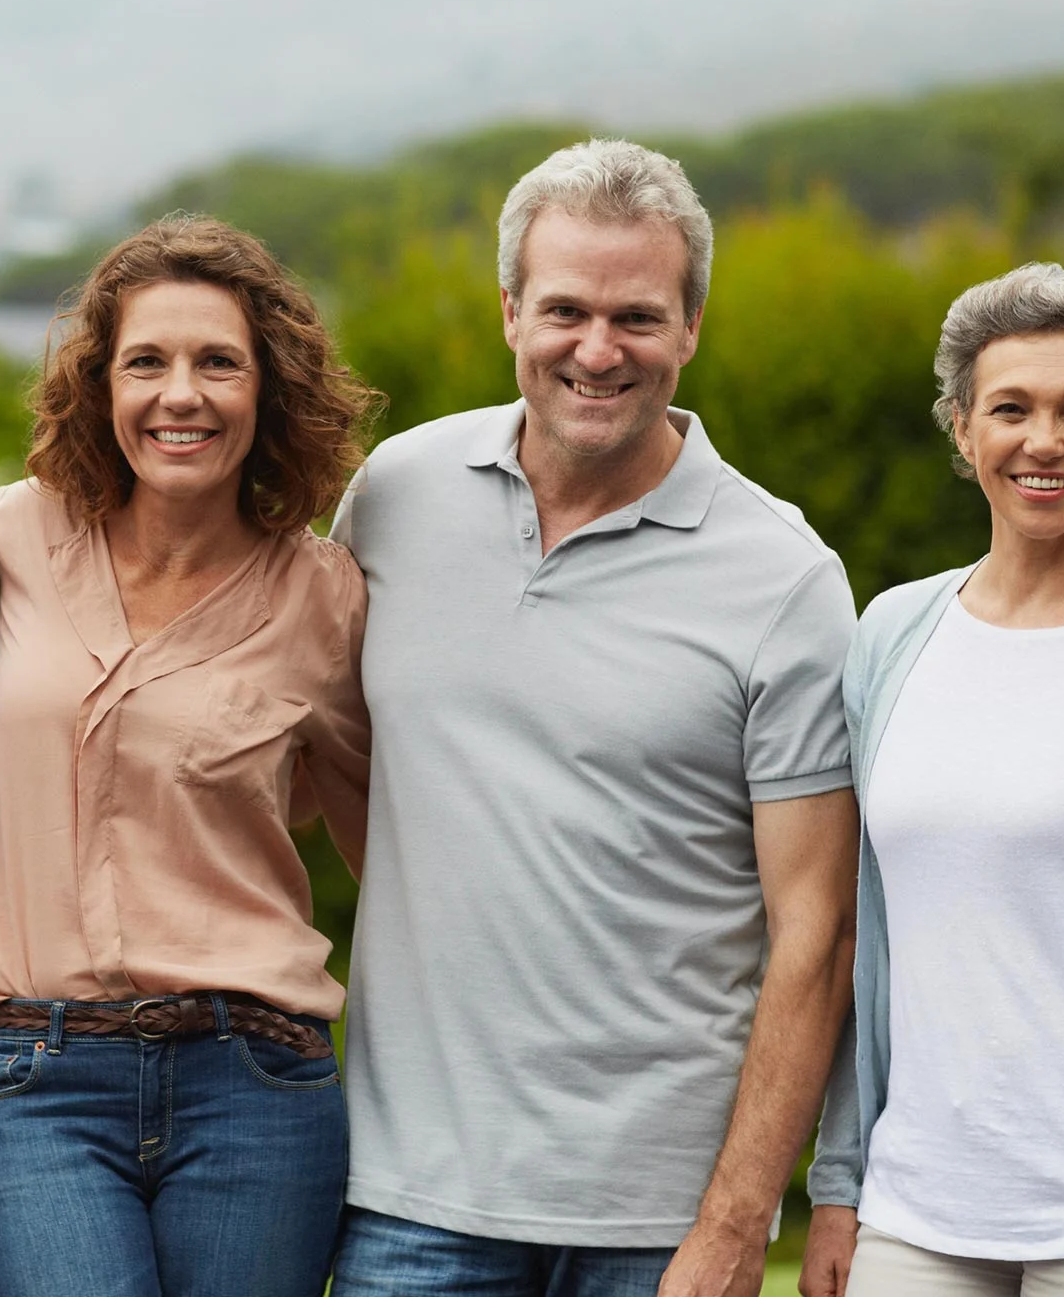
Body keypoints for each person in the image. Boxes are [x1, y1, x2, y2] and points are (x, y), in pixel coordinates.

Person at [325, 139, 860, 1297]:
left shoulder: (783, 578)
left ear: (691, 328)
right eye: (564, 309)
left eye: (638, 316)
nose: (597, 350)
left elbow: (814, 931)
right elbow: (318, 745)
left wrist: (733, 1225)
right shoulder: (390, 500)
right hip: (412, 1196)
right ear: (510, 310)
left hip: (658, 1223)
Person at [0, 215, 373, 1296]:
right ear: (102, 388)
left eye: (218, 362)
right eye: (147, 363)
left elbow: (377, 842)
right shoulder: (13, 534)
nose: (181, 395)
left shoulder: (326, 599)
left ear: (267, 391)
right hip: (35, 1074)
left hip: (255, 1080)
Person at [797, 265, 1064, 1297]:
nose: (1042, 441)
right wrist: (839, 1183)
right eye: (1010, 409)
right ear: (961, 430)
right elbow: (867, 932)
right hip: (915, 1211)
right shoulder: (892, 633)